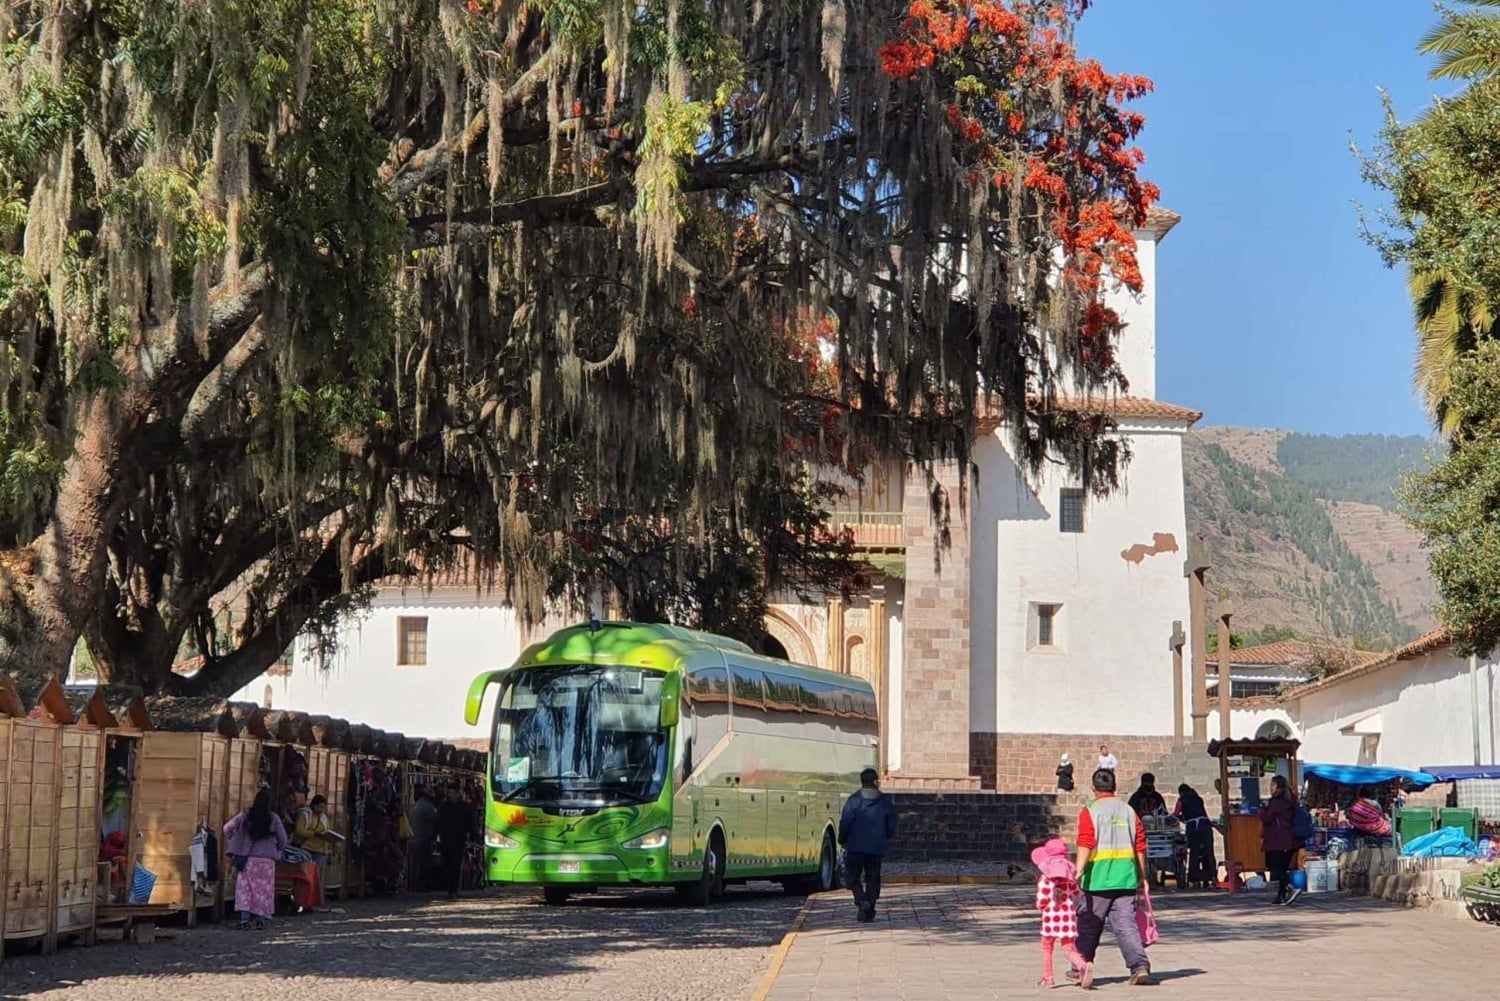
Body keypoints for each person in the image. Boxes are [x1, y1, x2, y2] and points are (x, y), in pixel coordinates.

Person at [1074, 768, 1151, 988]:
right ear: (1115, 787)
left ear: (1093, 788)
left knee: (1089, 925)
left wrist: (1077, 871)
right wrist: (1142, 875)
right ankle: (1139, 966)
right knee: (1126, 925)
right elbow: (1140, 846)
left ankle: (1080, 965)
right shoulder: (1128, 811)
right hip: (1125, 878)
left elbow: (1086, 843)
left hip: (1097, 879)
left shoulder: (1090, 811)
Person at [838, 767, 898, 923]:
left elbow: (845, 822)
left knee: (851, 876)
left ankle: (861, 900)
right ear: (875, 782)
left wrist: (842, 838)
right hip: (875, 847)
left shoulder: (854, 801)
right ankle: (868, 905)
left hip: (855, 846)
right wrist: (886, 836)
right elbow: (891, 824)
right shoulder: (884, 802)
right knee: (872, 878)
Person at [224, 788, 289, 930]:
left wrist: (236, 840)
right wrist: (276, 848)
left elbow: (227, 828)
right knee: (264, 890)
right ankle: (261, 919)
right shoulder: (273, 818)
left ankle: (244, 920)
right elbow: (283, 840)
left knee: (245, 889)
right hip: (267, 861)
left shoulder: (245, 816)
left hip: (248, 860)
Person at [1032, 838, 1087, 988]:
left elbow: (1042, 900)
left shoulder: (1045, 879)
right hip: (1068, 918)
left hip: (1050, 920)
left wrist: (1040, 906)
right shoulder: (1069, 880)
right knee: (1068, 949)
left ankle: (1048, 977)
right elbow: (1078, 894)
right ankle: (1081, 965)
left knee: (1047, 948)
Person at [1260, 774, 1300, 905]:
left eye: (1272, 785)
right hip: (1289, 841)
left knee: (1276, 868)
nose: (1270, 788)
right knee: (1282, 868)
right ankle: (1281, 895)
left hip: (1277, 841)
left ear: (1279, 788)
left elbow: (1267, 818)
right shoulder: (1291, 801)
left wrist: (1262, 809)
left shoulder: (1276, 802)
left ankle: (1290, 887)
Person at [1173, 783, 1216, 889]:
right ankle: (1212, 876)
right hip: (1206, 825)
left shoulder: (1182, 799)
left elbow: (1176, 814)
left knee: (1194, 852)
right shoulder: (1198, 798)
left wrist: (1170, 818)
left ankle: (1194, 878)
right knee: (1209, 852)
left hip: (1194, 827)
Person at [294, 794, 333, 909]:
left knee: (317, 877)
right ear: (313, 806)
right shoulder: (306, 815)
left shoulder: (323, 818)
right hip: (306, 848)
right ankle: (304, 901)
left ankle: (316, 901)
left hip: (319, 850)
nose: (321, 810)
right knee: (305, 877)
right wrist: (313, 833)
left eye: (323, 807)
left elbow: (327, 830)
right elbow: (299, 830)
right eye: (319, 807)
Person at [436, 785, 472, 900]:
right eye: (449, 793)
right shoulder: (444, 807)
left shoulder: (464, 807)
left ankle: (454, 889)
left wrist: (471, 836)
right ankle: (449, 890)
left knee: (455, 866)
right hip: (446, 841)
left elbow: (470, 823)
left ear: (457, 793)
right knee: (447, 865)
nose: (450, 795)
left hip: (459, 841)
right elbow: (438, 823)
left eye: (452, 792)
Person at [407, 789, 439, 891]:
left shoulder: (413, 807)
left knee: (414, 864)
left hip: (413, 838)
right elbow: (436, 819)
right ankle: (421, 885)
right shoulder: (428, 807)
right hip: (424, 838)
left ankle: (413, 885)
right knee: (423, 864)